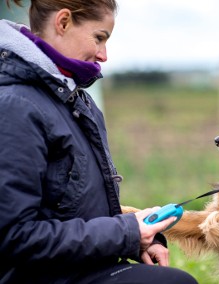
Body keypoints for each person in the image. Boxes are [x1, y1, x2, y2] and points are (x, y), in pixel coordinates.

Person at [0, 1, 197, 283]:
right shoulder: (14, 107)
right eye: (99, 38)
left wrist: (140, 239)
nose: (104, 55)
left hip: (80, 267)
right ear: (63, 22)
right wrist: (126, 233)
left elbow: (80, 209)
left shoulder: (79, 102)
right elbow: (13, 237)